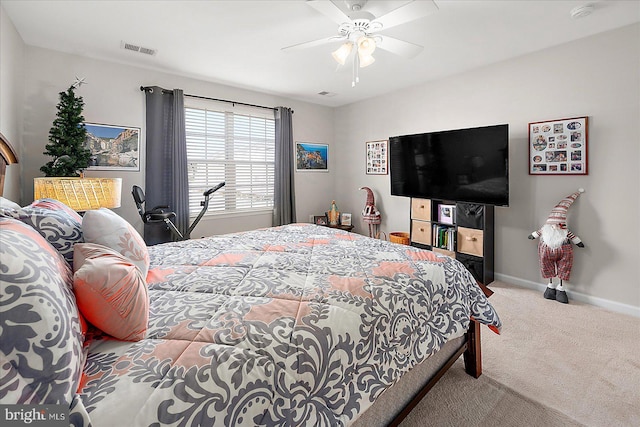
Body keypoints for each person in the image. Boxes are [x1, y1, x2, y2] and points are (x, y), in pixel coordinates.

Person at [528, 189, 585, 304]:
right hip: (546, 250)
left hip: (564, 250)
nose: (555, 227)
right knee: (546, 264)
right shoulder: (545, 229)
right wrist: (532, 235)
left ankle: (561, 289)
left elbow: (573, 237)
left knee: (565, 266)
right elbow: (537, 233)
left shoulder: (564, 231)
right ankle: (550, 286)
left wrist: (578, 242)